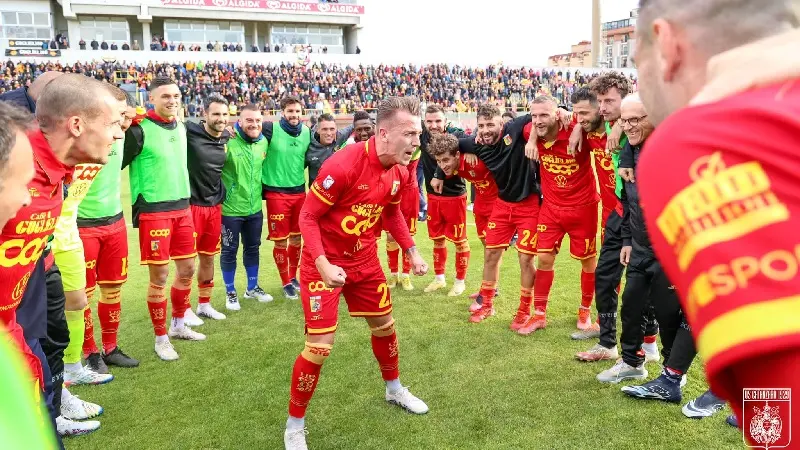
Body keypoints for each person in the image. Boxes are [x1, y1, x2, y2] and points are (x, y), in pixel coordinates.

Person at [633, 0, 800, 435]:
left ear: (666, 44)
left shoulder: (697, 143)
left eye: (637, 60)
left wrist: (763, 417)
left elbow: (781, 409)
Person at [284, 97, 429, 450]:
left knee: (385, 327)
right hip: (324, 265)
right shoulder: (343, 165)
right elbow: (308, 216)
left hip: (365, 262)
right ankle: (294, 423)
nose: (416, 141)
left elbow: (391, 214)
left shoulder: (399, 169)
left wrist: (411, 250)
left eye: (419, 134)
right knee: (319, 348)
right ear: (382, 133)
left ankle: (394, 389)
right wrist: (321, 263)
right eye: (409, 133)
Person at [1, 74, 127, 442]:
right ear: (76, 124)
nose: (117, 134)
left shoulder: (60, 173)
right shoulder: (14, 165)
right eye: (111, 124)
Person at [596, 94, 696, 392]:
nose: (627, 126)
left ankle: (672, 371)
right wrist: (627, 239)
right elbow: (627, 201)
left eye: (635, 119)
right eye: (624, 120)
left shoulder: (674, 148)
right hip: (638, 245)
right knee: (632, 306)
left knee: (667, 314)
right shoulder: (630, 152)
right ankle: (632, 363)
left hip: (670, 249)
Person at [574, 73, 659, 362]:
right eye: (600, 101)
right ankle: (607, 343)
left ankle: (649, 344)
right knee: (605, 275)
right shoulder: (602, 124)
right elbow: (566, 114)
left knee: (642, 284)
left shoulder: (642, 128)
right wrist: (576, 127)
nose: (603, 107)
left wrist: (621, 129)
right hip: (616, 214)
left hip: (642, 216)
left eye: (609, 100)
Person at [122, 76, 204, 361]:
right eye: (165, 96)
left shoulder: (180, 127)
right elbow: (113, 161)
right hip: (154, 211)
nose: (172, 100)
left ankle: (179, 324)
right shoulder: (138, 130)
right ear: (152, 99)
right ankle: (161, 338)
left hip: (183, 208)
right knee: (159, 276)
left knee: (187, 270)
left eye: (176, 95)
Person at [445, 104, 540, 327]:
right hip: (502, 205)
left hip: (529, 204)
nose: (486, 130)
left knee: (526, 258)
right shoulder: (475, 143)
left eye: (490, 125)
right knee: (490, 254)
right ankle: (487, 305)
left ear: (501, 123)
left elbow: (542, 113)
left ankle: (525, 310)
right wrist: (462, 152)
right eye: (481, 126)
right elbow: (451, 143)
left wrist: (534, 140)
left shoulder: (514, 128)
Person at [517, 94, 597, 336]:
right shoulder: (530, 131)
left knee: (588, 261)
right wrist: (531, 137)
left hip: (583, 208)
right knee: (544, 259)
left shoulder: (576, 128)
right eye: (534, 115)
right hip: (551, 209)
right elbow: (524, 125)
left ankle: (585, 311)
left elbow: (597, 120)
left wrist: (574, 126)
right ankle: (539, 314)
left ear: (557, 114)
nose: (538, 120)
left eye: (544, 115)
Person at [78, 93, 140, 371]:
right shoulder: (83, 138)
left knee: (113, 289)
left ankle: (111, 348)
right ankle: (90, 352)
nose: (125, 122)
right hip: (83, 225)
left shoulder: (124, 133)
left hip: (115, 223)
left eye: (128, 115)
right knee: (84, 294)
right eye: (120, 116)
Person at [428, 133, 499, 309]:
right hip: (481, 206)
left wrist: (473, 150)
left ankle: (487, 295)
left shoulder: (475, 161)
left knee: (493, 251)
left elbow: (494, 150)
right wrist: (439, 172)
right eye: (438, 161)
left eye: (446, 160)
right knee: (486, 247)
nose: (443, 165)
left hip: (498, 206)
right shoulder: (451, 167)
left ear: (458, 155)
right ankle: (491, 286)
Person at [220, 104, 273, 309]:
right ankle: (230, 291)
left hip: (254, 209)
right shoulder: (228, 140)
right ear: (239, 122)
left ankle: (252, 288)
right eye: (249, 120)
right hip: (230, 209)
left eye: (257, 120)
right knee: (229, 250)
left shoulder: (263, 143)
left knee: (253, 248)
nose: (254, 124)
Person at [186, 93, 231, 321]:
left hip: (215, 206)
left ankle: (204, 304)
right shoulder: (189, 132)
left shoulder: (225, 137)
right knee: (187, 261)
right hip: (192, 206)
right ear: (205, 115)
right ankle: (183, 309)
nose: (220, 118)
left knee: (209, 257)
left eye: (224, 114)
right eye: (216, 114)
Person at [418, 104, 470, 297]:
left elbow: (471, 141)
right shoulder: (422, 136)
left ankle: (460, 281)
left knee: (459, 241)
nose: (434, 125)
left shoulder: (455, 134)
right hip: (432, 196)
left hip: (454, 195)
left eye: (438, 121)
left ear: (445, 121)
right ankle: (439, 278)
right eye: (429, 121)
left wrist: (439, 173)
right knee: (437, 239)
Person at [262, 96, 310, 300]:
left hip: (299, 191)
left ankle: (293, 277)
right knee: (280, 241)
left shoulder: (307, 132)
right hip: (276, 193)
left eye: (297, 111)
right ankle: (285, 282)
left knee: (297, 238)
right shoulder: (270, 130)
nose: (294, 115)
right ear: (282, 112)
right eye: (290, 111)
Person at [305, 113, 353, 187]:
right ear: (318, 130)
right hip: (316, 193)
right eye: (325, 129)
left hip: (337, 192)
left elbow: (355, 125)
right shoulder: (308, 144)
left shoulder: (340, 136)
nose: (329, 133)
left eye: (332, 129)